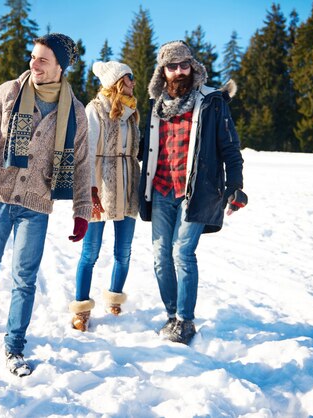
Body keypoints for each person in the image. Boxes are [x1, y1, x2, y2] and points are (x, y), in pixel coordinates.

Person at [0, 33, 91, 376]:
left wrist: (82, 212)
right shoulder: (8, 93)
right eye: (32, 57)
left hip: (36, 205)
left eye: (42, 60)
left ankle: (14, 347)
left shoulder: (75, 113)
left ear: (60, 67)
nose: (33, 64)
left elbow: (83, 165)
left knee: (24, 278)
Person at [139, 40, 248, 345]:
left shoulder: (212, 100)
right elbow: (144, 148)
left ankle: (185, 322)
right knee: (161, 257)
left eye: (183, 65)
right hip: (160, 189)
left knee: (182, 253)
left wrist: (234, 185)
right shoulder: (156, 105)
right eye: (171, 67)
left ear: (193, 66)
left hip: (196, 192)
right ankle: (172, 314)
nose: (178, 72)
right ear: (163, 72)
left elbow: (230, 147)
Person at [69, 61, 141, 332]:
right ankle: (82, 308)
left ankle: (115, 297)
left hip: (128, 182)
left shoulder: (132, 111)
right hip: (100, 184)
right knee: (90, 252)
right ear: (117, 81)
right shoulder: (95, 109)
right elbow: (85, 151)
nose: (134, 81)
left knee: (124, 251)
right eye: (129, 76)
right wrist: (89, 189)